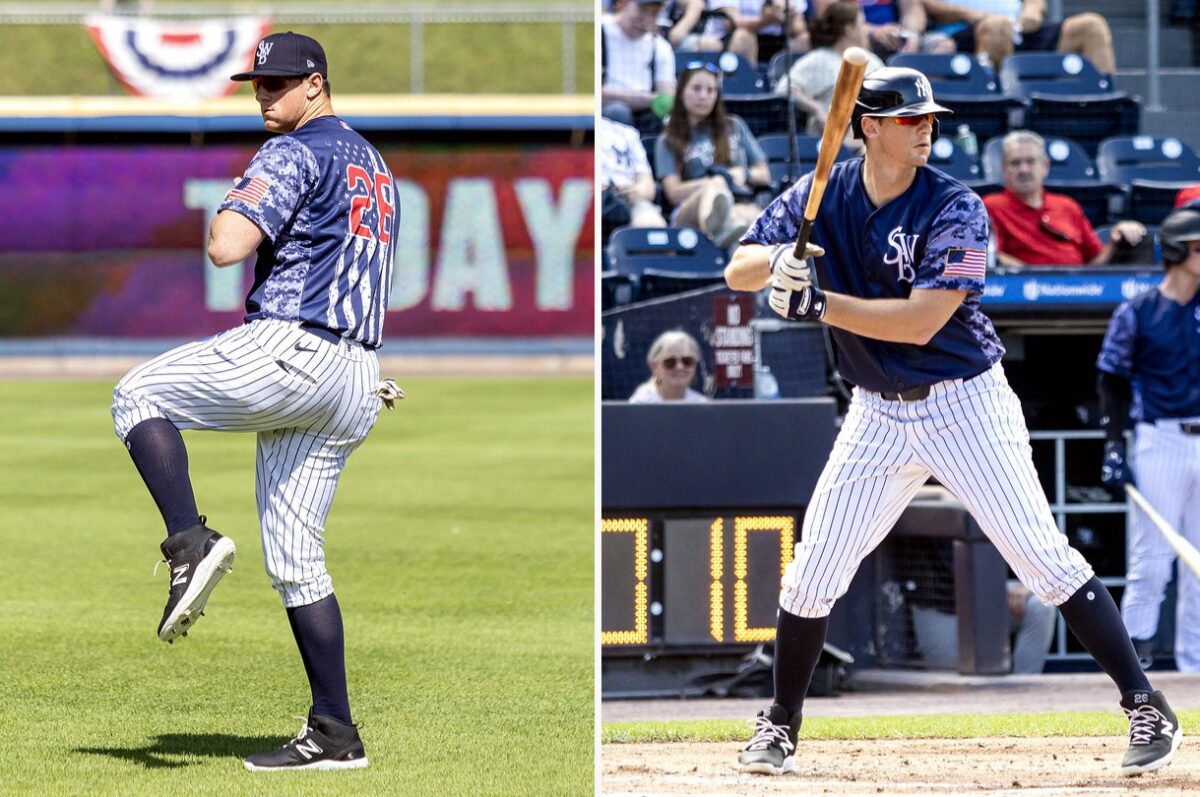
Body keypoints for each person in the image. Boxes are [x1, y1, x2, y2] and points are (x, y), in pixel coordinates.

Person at [724, 66, 1182, 777]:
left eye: (930, 118)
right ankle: (781, 722)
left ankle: (1145, 702)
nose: (927, 128)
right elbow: (737, 269)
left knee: (1042, 556)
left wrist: (819, 305)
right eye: (911, 119)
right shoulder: (828, 191)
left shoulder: (958, 206)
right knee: (813, 569)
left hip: (964, 399)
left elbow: (923, 318)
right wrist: (780, 260)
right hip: (876, 409)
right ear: (870, 126)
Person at [111, 31, 402, 772]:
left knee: (136, 391)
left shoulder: (292, 151)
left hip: (293, 347)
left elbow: (227, 245)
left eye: (279, 83)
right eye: (258, 84)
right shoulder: (374, 163)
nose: (265, 94)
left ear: (317, 85)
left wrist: (232, 202)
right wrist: (354, 366)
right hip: (358, 369)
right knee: (299, 561)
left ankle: (190, 540)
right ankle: (335, 733)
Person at [1096, 207, 1200, 673]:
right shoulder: (1137, 311)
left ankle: (1194, 667)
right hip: (1159, 438)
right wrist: (1114, 444)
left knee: (1198, 568)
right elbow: (1111, 383)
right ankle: (1136, 676)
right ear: (1177, 250)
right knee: (1152, 563)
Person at [984, 130, 1147, 267]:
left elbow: (1094, 262)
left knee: (1140, 238)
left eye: (1031, 161)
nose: (1024, 169)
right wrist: (1036, 276)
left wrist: (1115, 240)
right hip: (1021, 296)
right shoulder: (990, 206)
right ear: (1004, 169)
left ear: (1045, 166)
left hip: (1079, 292)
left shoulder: (1067, 206)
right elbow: (989, 257)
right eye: (1015, 163)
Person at [655, 61, 770, 247]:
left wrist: (744, 174)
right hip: (689, 210)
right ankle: (725, 226)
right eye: (696, 89)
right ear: (682, 91)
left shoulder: (734, 126)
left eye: (710, 90)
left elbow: (764, 174)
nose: (703, 96)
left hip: (738, 202)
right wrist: (714, 183)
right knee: (716, 189)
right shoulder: (668, 138)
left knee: (748, 222)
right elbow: (673, 192)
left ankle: (729, 238)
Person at [775, 2, 884, 136]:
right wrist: (816, 108)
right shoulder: (818, 60)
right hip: (834, 139)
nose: (865, 31)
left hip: (873, 135)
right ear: (848, 29)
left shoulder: (872, 60)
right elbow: (784, 89)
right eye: (861, 25)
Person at [923, 0, 1116, 73]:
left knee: (1092, 25)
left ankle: (1106, 107)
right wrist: (975, 16)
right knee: (997, 27)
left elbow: (1035, 3)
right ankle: (999, 111)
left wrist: (1032, 14)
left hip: (1020, 29)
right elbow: (927, 4)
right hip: (968, 32)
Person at [602, 0, 678, 131]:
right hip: (608, 120)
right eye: (642, 10)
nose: (647, 19)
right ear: (624, 3)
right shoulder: (601, 30)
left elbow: (667, 97)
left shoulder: (661, 46)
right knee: (618, 112)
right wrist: (646, 99)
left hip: (645, 121)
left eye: (654, 13)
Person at [815, 0, 954, 60]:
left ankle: (916, 95)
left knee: (943, 44)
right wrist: (874, 31)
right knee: (851, 40)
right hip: (856, 34)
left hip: (896, 35)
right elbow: (828, 16)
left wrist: (910, 35)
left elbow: (912, 11)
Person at [600, 115, 668, 236]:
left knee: (649, 218)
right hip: (593, 199)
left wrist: (629, 192)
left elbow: (647, 186)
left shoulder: (625, 133)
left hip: (626, 200)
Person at [629, 330, 708, 402]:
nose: (679, 367)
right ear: (654, 367)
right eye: (670, 362)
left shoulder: (701, 404)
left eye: (687, 361)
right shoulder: (640, 403)